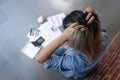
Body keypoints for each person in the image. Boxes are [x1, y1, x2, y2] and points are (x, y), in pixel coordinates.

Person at [34, 7, 108, 79]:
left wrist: (63, 37)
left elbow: (39, 58)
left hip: (78, 72)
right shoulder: (104, 37)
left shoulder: (72, 61)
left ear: (71, 39)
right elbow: (93, 21)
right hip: (90, 64)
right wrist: (90, 11)